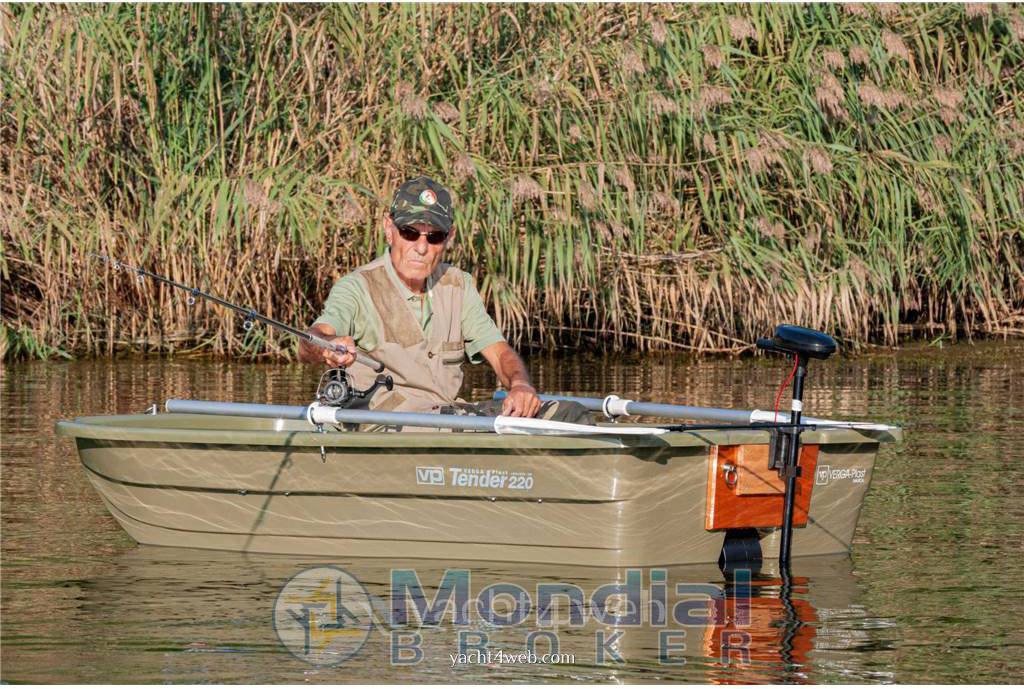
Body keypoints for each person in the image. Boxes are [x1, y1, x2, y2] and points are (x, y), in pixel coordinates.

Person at [298, 176, 589, 424]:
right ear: (389, 228)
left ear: (448, 237)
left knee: (569, 414)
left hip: (451, 418)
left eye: (434, 236)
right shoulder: (357, 287)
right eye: (410, 233)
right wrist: (327, 348)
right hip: (388, 428)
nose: (421, 247)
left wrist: (521, 386)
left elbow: (500, 354)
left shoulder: (459, 285)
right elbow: (312, 339)